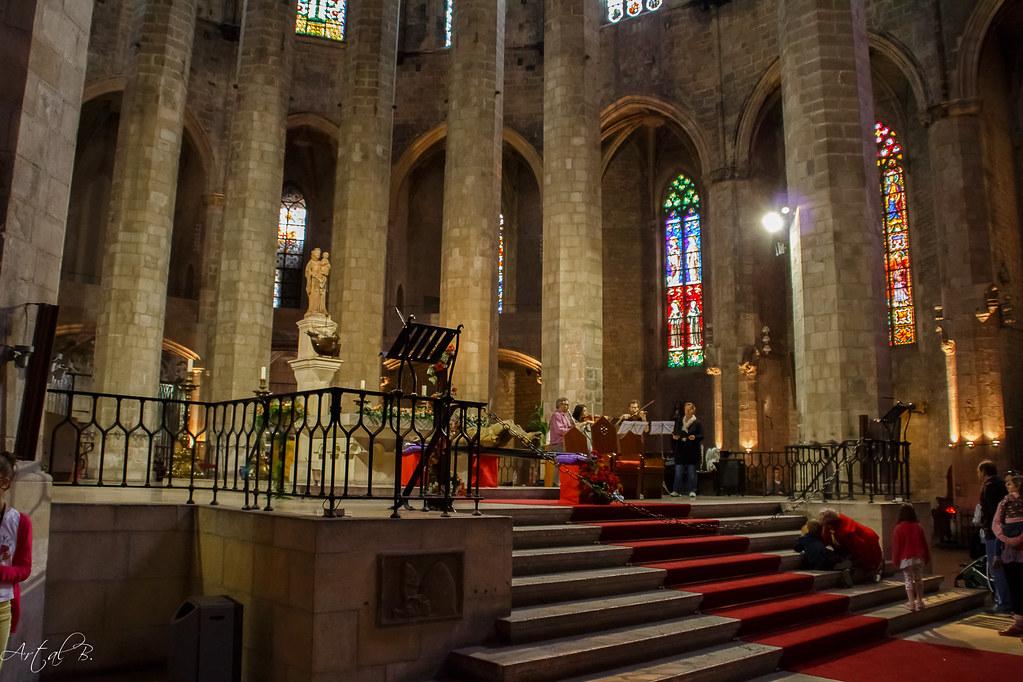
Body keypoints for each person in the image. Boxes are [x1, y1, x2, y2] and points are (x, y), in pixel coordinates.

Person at [0, 451, 32, 669]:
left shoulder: (19, 522)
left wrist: (1, 573)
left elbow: (24, 568)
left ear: (4, 482)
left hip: (1, 606)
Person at [978, 460, 1011, 613]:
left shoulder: (989, 487)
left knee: (996, 567)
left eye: (979, 472)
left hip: (994, 532)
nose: (978, 475)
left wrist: (986, 525)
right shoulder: (1004, 485)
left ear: (984, 472)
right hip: (1007, 532)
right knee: (1007, 567)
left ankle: (1002, 602)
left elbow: (992, 512)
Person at [992, 473, 1023, 637]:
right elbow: (997, 522)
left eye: (1010, 483)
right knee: (1014, 586)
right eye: (1006, 483)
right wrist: (1004, 538)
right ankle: (1018, 623)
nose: (1007, 486)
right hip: (1009, 549)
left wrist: (1019, 538)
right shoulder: (1004, 502)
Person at [820, 508, 883, 583]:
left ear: (830, 525)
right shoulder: (837, 520)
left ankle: (868, 573)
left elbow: (860, 549)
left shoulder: (846, 531)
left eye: (825, 525)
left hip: (867, 543)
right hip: (862, 541)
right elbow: (827, 536)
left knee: (866, 564)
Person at [891, 503, 930, 611]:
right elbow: (924, 543)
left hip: (906, 558)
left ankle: (911, 603)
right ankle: (920, 602)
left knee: (908, 580)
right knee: (918, 579)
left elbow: (896, 546)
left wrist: (895, 560)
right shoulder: (918, 526)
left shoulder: (898, 528)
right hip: (918, 557)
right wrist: (927, 557)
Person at [672, 401, 703, 498]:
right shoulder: (680, 421)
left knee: (691, 473)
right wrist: (675, 436)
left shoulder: (697, 422)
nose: (687, 412)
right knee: (678, 471)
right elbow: (675, 432)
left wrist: (695, 437)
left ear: (693, 411)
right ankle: (676, 490)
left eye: (689, 410)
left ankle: (692, 490)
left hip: (692, 451)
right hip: (681, 450)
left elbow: (701, 435)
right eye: (686, 410)